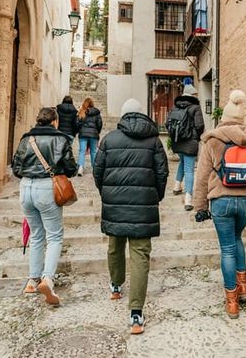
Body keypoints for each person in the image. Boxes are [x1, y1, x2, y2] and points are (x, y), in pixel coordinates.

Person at [192, 90, 246, 319]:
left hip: (222, 201)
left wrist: (200, 207)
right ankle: (244, 286)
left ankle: (232, 302)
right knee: (237, 239)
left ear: (224, 117)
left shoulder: (213, 140)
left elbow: (201, 177)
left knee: (227, 248)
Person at [93, 98, 168, 335]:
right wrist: (155, 196)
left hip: (114, 203)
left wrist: (107, 193)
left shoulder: (109, 140)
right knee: (140, 256)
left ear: (123, 116)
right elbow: (162, 173)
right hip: (143, 206)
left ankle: (116, 285)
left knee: (115, 246)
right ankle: (136, 312)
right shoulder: (154, 140)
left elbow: (97, 172)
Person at [11, 107, 78, 306]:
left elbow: (15, 167)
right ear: (55, 121)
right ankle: (48, 279)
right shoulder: (61, 139)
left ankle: (33, 280)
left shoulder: (25, 139)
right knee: (55, 235)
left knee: (36, 234)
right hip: (46, 188)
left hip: (26, 188)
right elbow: (71, 168)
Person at [166, 84, 205, 211]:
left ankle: (177, 187)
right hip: (190, 143)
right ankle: (188, 199)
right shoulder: (195, 107)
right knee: (189, 169)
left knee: (182, 162)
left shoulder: (175, 106)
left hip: (178, 142)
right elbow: (200, 126)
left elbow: (167, 123)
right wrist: (194, 136)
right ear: (193, 95)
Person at [76, 97, 102, 176]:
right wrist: (97, 132)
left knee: (82, 151)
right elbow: (99, 124)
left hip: (83, 134)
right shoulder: (97, 113)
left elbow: (77, 123)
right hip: (94, 135)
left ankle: (80, 168)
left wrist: (80, 130)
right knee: (93, 151)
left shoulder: (82, 112)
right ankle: (94, 169)